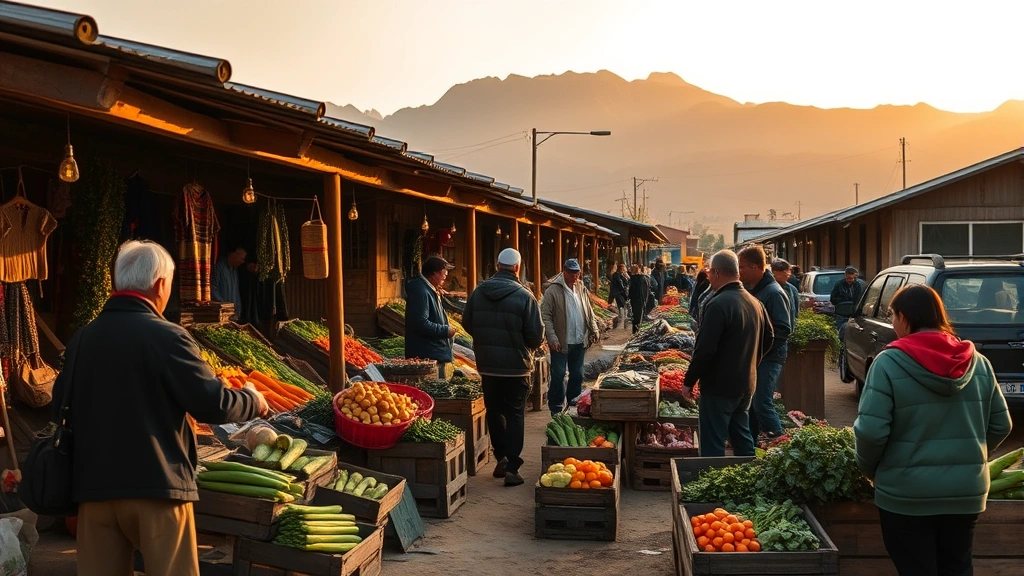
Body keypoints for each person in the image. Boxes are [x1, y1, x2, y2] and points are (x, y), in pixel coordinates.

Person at [53, 240, 268, 576]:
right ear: (160, 284)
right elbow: (213, 404)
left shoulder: (83, 339)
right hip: (157, 488)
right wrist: (252, 400)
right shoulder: (168, 336)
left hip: (93, 492)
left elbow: (59, 406)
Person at [854, 284, 1012, 576]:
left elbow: (870, 432)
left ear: (905, 317)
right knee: (958, 567)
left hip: (906, 493)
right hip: (966, 492)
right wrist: (967, 458)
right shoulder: (978, 362)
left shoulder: (888, 362)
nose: (892, 323)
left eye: (892, 315)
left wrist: (871, 470)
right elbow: (1002, 424)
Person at [462, 249, 544, 487]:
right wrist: (522, 345)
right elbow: (536, 337)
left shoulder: (478, 293)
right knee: (515, 414)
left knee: (494, 412)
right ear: (517, 268)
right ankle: (512, 467)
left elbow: (468, 323)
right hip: (516, 367)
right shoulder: (525, 296)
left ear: (497, 265)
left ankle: (501, 457)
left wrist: (485, 343)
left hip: (488, 367)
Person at [682, 250, 773, 457]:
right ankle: (748, 478)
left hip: (719, 387)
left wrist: (689, 381)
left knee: (713, 441)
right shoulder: (755, 302)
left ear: (715, 273)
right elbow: (770, 338)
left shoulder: (717, 304)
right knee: (741, 435)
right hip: (746, 384)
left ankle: (711, 482)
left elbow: (704, 350)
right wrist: (751, 361)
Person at [738, 246, 792, 442]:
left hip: (769, 358)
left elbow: (783, 330)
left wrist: (760, 352)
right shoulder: (758, 289)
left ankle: (781, 442)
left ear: (755, 267)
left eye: (742, 267)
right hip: (757, 356)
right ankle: (749, 445)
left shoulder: (773, 292)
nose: (739, 271)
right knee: (751, 402)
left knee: (762, 402)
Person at [541, 258, 601, 415]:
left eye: (578, 273)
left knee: (577, 374)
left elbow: (589, 310)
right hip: (561, 341)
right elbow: (546, 316)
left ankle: (573, 405)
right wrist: (552, 337)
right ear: (565, 272)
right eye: (573, 273)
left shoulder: (581, 288)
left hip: (579, 339)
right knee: (559, 374)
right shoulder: (552, 291)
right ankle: (556, 407)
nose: (576, 276)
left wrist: (594, 328)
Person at [405, 255, 457, 378]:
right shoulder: (421, 292)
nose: (446, 275)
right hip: (427, 355)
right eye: (444, 272)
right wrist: (445, 330)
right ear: (434, 273)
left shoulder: (429, 289)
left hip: (434, 353)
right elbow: (421, 323)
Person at [211, 244, 247, 320]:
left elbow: (235, 292)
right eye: (241, 258)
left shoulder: (235, 270)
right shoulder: (218, 267)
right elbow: (213, 288)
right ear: (232, 254)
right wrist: (224, 306)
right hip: (223, 314)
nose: (242, 262)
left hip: (234, 315)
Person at [831, 265, 866, 332]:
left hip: (854, 314)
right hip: (841, 314)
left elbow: (859, 299)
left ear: (855, 277)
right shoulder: (839, 285)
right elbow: (833, 299)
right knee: (840, 332)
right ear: (845, 276)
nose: (850, 280)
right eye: (848, 278)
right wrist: (842, 302)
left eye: (851, 278)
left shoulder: (858, 285)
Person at [771, 258, 800, 329]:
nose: (785, 275)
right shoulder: (769, 289)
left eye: (786, 273)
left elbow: (795, 311)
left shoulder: (792, 289)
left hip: (788, 329)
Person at [628, 264, 652, 334]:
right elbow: (646, 290)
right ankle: (637, 330)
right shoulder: (643, 278)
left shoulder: (633, 279)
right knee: (639, 316)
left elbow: (630, 291)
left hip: (635, 299)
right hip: (641, 299)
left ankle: (635, 331)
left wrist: (629, 297)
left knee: (635, 316)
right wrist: (645, 300)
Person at [607, 263, 630, 331]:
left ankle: (623, 322)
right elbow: (621, 285)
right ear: (621, 269)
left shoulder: (621, 275)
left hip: (620, 293)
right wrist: (625, 291)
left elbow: (627, 282)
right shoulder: (616, 275)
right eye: (624, 268)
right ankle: (622, 322)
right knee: (622, 306)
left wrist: (627, 276)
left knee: (623, 306)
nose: (625, 269)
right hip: (618, 293)